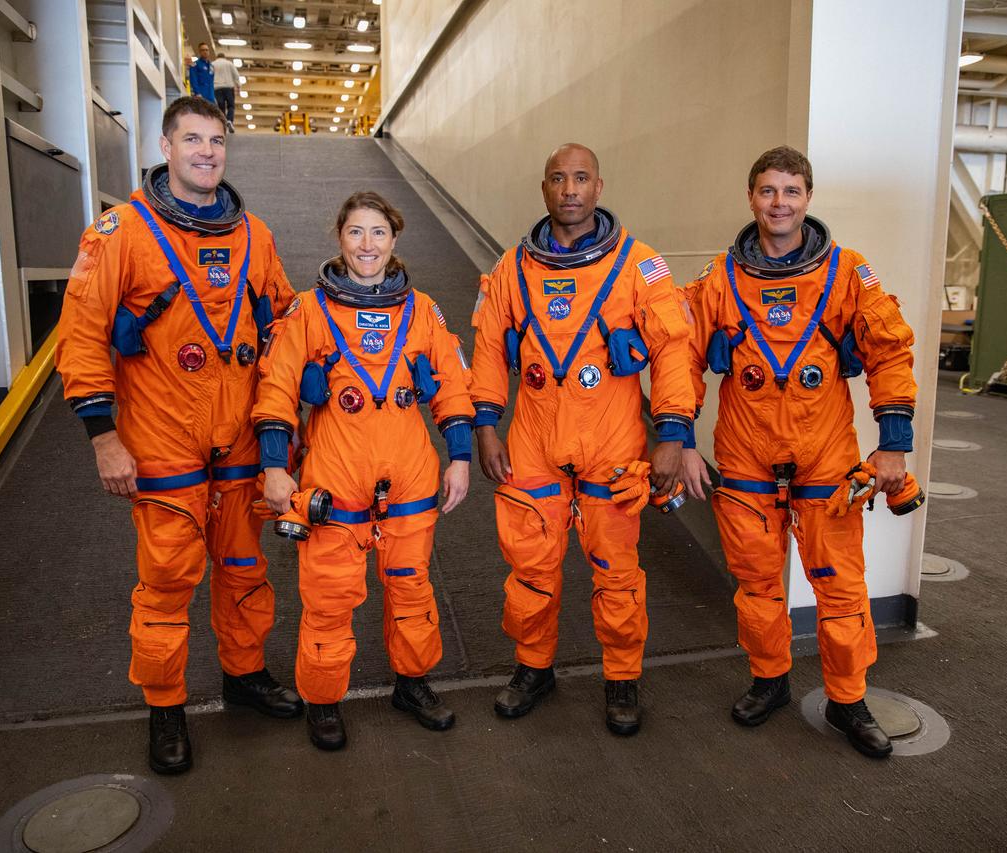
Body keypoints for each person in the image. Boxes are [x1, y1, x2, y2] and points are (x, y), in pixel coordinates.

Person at [56, 96, 301, 775]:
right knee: (167, 578)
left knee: (245, 567)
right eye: (192, 139)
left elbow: (282, 319)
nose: (207, 152)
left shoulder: (254, 233)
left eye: (217, 140)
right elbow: (81, 336)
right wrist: (103, 436)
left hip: (241, 440)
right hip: (161, 439)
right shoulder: (119, 232)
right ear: (166, 147)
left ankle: (245, 674)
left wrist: (283, 416)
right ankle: (165, 703)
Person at [681, 145, 918, 759]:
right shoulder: (720, 279)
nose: (779, 203)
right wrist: (678, 437)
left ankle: (848, 699)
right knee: (758, 585)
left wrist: (893, 446)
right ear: (751, 198)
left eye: (791, 191)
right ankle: (769, 680)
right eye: (767, 191)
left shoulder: (846, 272)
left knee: (839, 588)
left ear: (808, 197)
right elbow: (679, 355)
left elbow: (889, 350)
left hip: (825, 458)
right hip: (745, 457)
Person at [469, 143, 694, 736]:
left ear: (599, 187)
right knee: (530, 568)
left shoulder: (639, 264)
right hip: (533, 441)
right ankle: (533, 667)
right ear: (544, 189)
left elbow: (673, 351)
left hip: (613, 443)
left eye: (580, 178)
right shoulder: (514, 268)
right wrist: (485, 426)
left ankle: (621, 678)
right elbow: (490, 348)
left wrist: (671, 433)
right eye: (557, 179)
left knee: (617, 573)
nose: (569, 189)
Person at [255, 191, 474, 751]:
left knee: (412, 590)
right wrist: (276, 468)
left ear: (394, 240)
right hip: (334, 477)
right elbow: (277, 386)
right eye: (356, 232)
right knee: (328, 598)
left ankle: (413, 683)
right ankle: (324, 701)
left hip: (410, 475)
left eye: (378, 233)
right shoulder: (308, 310)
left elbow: (451, 384)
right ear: (339, 238)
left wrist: (460, 458)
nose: (367, 244)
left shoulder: (422, 310)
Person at [211, 52, 241, 132]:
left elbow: (209, 76)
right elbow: (236, 75)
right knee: (231, 106)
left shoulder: (213, 64)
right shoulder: (229, 64)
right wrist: (238, 86)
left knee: (221, 106)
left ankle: (222, 123)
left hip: (217, 88)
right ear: (224, 57)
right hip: (228, 87)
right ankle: (229, 120)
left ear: (217, 57)